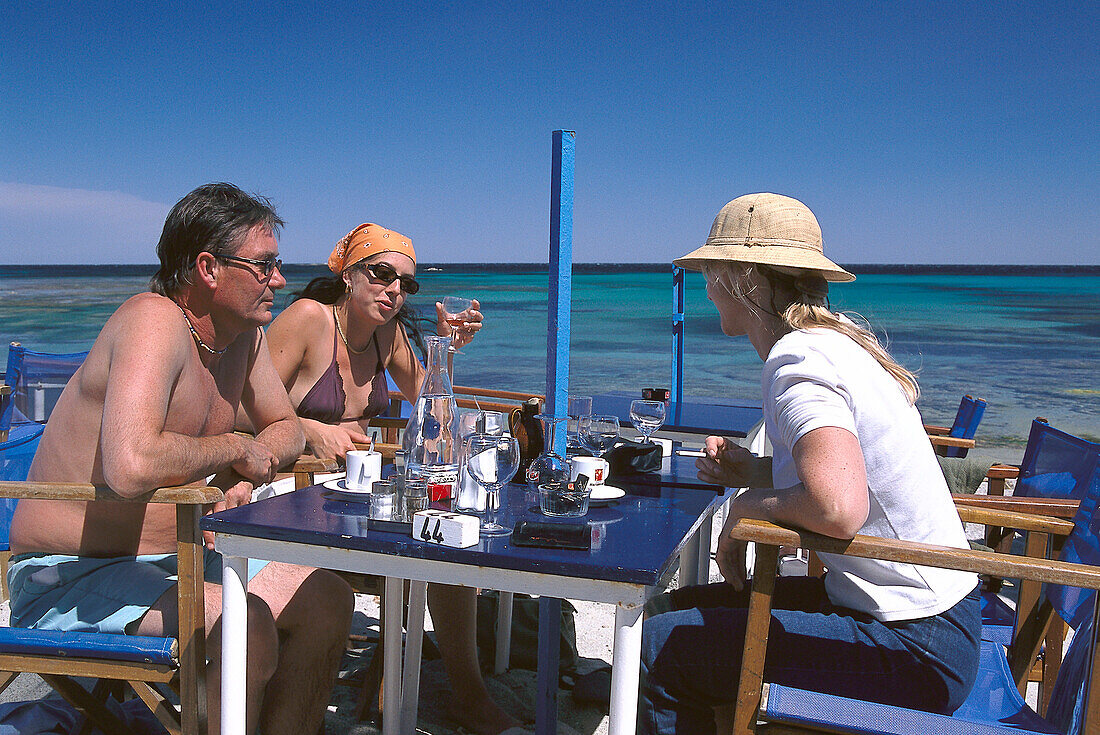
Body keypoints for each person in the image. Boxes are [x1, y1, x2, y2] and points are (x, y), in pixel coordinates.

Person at [7, 183, 355, 735]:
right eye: (263, 266)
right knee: (248, 623)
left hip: (179, 563)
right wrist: (234, 448)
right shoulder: (153, 320)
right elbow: (131, 463)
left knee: (328, 599)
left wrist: (255, 459)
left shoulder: (245, 338)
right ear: (208, 268)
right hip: (70, 576)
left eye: (278, 265)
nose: (280, 281)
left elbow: (286, 427)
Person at [639, 193, 980, 734]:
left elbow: (838, 507)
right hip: (929, 619)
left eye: (710, 269)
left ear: (743, 278)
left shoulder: (799, 359)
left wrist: (744, 508)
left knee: (661, 649)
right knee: (669, 611)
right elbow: (845, 484)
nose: (704, 283)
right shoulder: (831, 344)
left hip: (913, 643)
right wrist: (753, 472)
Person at [265, 224, 522, 735]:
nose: (395, 290)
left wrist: (445, 346)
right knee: (441, 538)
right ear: (348, 274)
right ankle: (467, 698)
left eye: (405, 282)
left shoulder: (388, 335)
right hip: (294, 497)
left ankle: (468, 697)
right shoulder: (306, 321)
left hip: (357, 499)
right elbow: (244, 412)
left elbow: (434, 406)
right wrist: (310, 428)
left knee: (451, 539)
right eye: (382, 275)